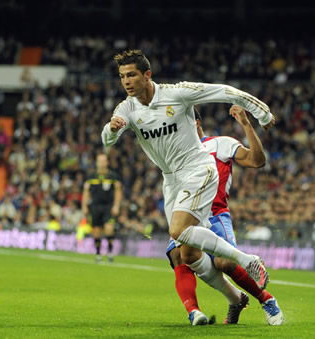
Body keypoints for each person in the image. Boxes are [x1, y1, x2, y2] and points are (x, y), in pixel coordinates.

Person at [102, 50, 275, 323]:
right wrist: (112, 129)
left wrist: (261, 112)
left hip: (198, 169)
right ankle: (235, 298)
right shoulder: (127, 108)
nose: (126, 81)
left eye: (132, 74)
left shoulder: (177, 93)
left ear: (148, 75)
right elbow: (107, 140)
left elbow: (225, 91)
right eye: (122, 76)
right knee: (186, 253)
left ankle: (247, 260)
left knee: (177, 230)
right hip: (170, 180)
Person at [167, 106, 283, 326]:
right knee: (179, 257)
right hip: (187, 216)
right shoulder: (177, 154)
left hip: (215, 214)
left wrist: (247, 125)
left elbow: (257, 161)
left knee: (224, 263)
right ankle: (195, 312)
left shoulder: (221, 143)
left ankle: (266, 299)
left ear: (197, 123)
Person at [82, 154, 122, 262]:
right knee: (96, 230)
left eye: (104, 161)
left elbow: (118, 191)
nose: (102, 163)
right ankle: (98, 253)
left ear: (107, 162)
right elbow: (86, 192)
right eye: (100, 161)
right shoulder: (91, 177)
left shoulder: (113, 176)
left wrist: (116, 205)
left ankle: (109, 252)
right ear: (96, 162)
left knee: (109, 228)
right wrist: (84, 206)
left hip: (108, 206)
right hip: (95, 206)